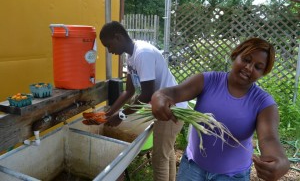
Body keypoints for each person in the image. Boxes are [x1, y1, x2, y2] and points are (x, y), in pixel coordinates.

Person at [150, 38, 290, 180]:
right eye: (246, 59)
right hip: (192, 168)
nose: (249, 68)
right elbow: (174, 93)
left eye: (258, 67)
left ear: (263, 73)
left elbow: (269, 138)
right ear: (236, 56)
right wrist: (159, 95)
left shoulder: (263, 102)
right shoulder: (207, 81)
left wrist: (281, 161)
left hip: (232, 176)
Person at [99, 21, 187, 181]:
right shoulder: (131, 56)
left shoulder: (142, 54)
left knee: (160, 158)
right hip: (164, 107)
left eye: (108, 45)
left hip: (171, 110)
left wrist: (121, 116)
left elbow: (147, 94)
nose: (109, 50)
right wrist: (110, 112)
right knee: (166, 153)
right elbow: (129, 91)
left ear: (117, 37)